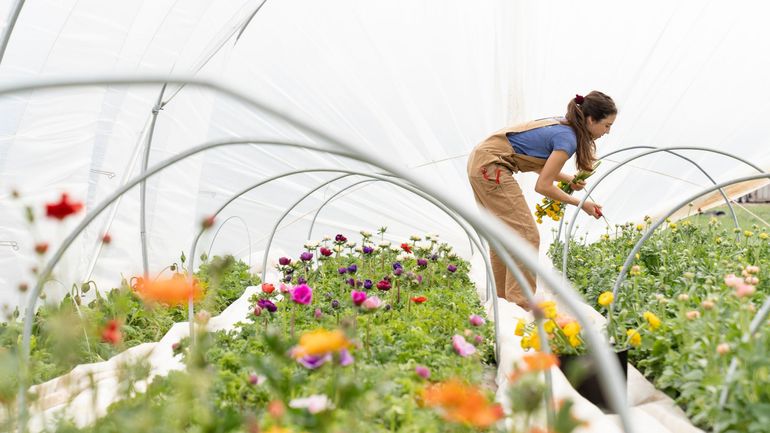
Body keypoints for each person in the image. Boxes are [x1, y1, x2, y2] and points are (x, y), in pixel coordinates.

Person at [467, 91, 617, 310]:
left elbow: (538, 163)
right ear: (591, 120)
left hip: (482, 162)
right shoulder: (568, 138)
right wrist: (581, 204)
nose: (608, 131)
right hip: (491, 167)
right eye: (606, 125)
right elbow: (543, 186)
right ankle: (521, 304)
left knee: (501, 235)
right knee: (527, 236)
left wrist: (568, 179)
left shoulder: (563, 125)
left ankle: (502, 306)